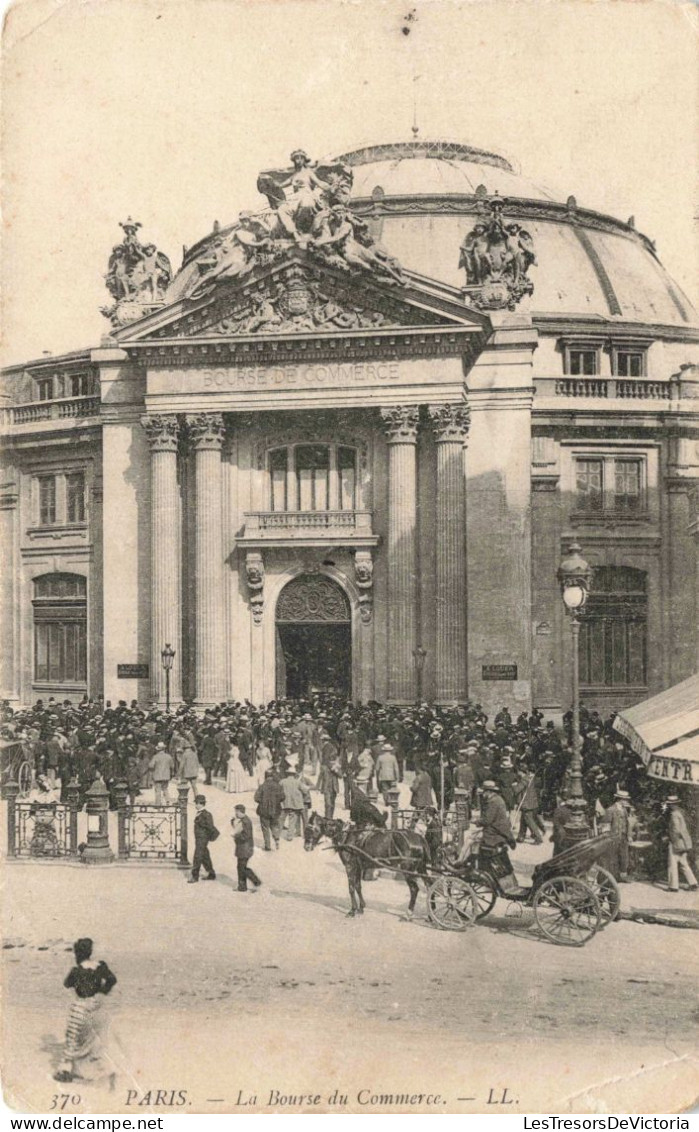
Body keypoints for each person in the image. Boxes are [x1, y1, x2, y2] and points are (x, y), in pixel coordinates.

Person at [54, 938, 118, 1086]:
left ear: (77, 954)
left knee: (73, 1039)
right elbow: (112, 980)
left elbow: (67, 984)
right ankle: (102, 1070)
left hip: (81, 1007)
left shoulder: (76, 971)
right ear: (90, 952)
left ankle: (68, 1071)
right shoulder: (100, 966)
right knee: (95, 1042)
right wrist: (102, 992)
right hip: (98, 1006)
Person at [665, 795, 698, 892]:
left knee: (672, 863)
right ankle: (693, 883)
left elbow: (676, 829)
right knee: (684, 863)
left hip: (676, 842)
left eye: (670, 804)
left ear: (673, 805)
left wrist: (671, 839)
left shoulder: (674, 814)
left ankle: (673, 886)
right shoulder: (682, 813)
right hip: (685, 842)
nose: (669, 806)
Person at [601, 789, 635, 882]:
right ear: (620, 799)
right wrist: (607, 838)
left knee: (624, 856)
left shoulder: (624, 810)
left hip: (623, 837)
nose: (626, 801)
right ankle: (613, 877)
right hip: (613, 838)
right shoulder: (610, 810)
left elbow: (628, 824)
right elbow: (605, 826)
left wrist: (629, 835)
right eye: (625, 799)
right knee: (613, 858)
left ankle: (622, 876)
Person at [231, 804, 262, 892]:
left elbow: (246, 835)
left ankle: (255, 881)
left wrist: (236, 836)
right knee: (241, 867)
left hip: (245, 848)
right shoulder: (243, 820)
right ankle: (242, 886)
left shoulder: (246, 822)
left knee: (242, 867)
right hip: (243, 848)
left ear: (240, 811)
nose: (235, 813)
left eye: (236, 811)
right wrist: (233, 822)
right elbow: (238, 829)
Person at [188, 795, 218, 883]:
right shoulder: (200, 813)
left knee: (197, 857)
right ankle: (211, 874)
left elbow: (210, 827)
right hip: (199, 838)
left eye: (197, 803)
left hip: (202, 839)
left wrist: (205, 838)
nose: (195, 805)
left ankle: (195, 876)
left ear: (201, 804)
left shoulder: (207, 814)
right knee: (205, 856)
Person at [254, 769, 285, 850]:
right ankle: (277, 838)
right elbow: (283, 797)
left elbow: (256, 798)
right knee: (274, 825)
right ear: (273, 776)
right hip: (276, 810)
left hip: (263, 811)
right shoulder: (278, 786)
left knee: (265, 828)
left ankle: (268, 846)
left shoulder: (262, 786)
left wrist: (263, 801)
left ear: (265, 776)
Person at [280, 768, 310, 840]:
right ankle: (290, 836)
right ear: (294, 774)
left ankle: (277, 834)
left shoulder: (282, 781)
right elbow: (305, 791)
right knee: (292, 820)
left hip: (284, 803)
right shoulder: (297, 782)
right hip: (294, 804)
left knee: (281, 819)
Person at [149, 741, 172, 806]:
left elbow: (151, 765)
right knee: (165, 789)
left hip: (157, 776)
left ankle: (158, 804)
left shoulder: (155, 757)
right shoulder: (168, 756)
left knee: (158, 790)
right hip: (166, 776)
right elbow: (172, 766)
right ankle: (168, 801)